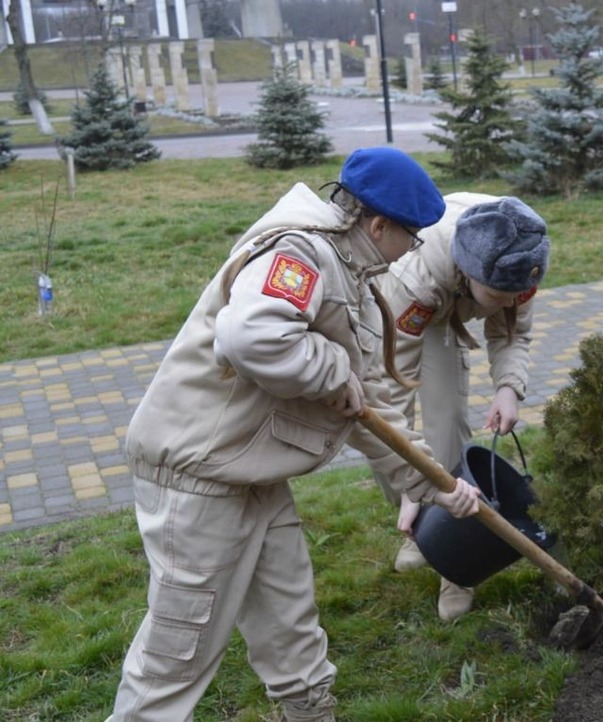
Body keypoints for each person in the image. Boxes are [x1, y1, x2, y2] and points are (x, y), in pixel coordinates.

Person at [107, 147, 481, 722]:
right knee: (177, 653)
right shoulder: (300, 252)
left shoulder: (353, 274)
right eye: (412, 236)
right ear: (377, 224)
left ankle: (310, 712)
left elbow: (372, 406)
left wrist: (436, 485)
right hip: (199, 479)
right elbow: (252, 336)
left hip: (254, 475)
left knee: (290, 623)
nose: (414, 249)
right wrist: (331, 372)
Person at [370, 192, 550, 622]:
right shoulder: (417, 279)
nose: (510, 301)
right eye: (498, 294)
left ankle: (457, 568)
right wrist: (414, 484)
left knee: (448, 422)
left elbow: (511, 333)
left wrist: (508, 387)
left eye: (517, 293)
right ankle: (420, 531)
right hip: (404, 312)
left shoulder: (521, 259)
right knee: (384, 433)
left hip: (452, 303)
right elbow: (392, 386)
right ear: (470, 275)